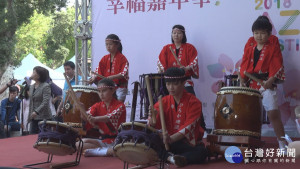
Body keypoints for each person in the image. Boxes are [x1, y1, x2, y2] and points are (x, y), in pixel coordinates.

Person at [239, 16, 287, 150]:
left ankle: (282, 143)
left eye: (262, 33)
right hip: (251, 83)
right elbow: (244, 62)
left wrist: (270, 80)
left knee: (273, 114)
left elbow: (277, 63)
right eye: (256, 33)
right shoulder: (250, 44)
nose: (259, 36)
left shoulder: (272, 45)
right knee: (249, 115)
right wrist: (242, 79)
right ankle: (249, 143)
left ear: (269, 34)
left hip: (265, 83)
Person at [148, 67, 207, 167]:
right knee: (150, 144)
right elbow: (154, 126)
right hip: (167, 143)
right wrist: (153, 120)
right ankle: (174, 158)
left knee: (202, 152)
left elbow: (189, 126)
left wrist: (171, 139)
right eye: (168, 84)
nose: (171, 87)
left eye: (175, 84)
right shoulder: (162, 102)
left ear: (183, 83)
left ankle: (169, 157)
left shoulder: (194, 102)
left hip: (184, 143)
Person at [81, 78, 126, 157]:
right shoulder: (97, 105)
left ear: (112, 90)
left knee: (82, 146)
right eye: (99, 91)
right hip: (103, 140)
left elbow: (109, 117)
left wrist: (95, 119)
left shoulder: (120, 106)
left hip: (117, 141)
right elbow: (87, 117)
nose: (101, 94)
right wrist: (82, 110)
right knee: (80, 143)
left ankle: (103, 151)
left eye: (104, 91)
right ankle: (106, 151)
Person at [157, 24, 199, 95]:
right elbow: (160, 61)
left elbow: (194, 60)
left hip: (185, 79)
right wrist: (163, 70)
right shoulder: (166, 48)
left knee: (190, 97)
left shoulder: (190, 47)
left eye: (179, 33)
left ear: (183, 35)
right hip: (170, 80)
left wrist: (186, 68)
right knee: (163, 96)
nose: (176, 35)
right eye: (174, 33)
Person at [89, 34, 129, 102]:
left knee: (117, 108)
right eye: (106, 44)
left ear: (117, 45)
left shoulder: (123, 58)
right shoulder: (104, 58)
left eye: (110, 44)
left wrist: (112, 77)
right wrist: (93, 78)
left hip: (119, 88)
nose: (108, 46)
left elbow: (124, 73)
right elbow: (97, 71)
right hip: (106, 89)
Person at [28, 66, 52, 134]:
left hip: (44, 116)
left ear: (39, 75)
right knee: (31, 137)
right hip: (33, 117)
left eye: (34, 72)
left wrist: (36, 111)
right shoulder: (32, 86)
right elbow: (31, 102)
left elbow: (45, 101)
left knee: (43, 137)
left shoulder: (46, 86)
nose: (32, 74)